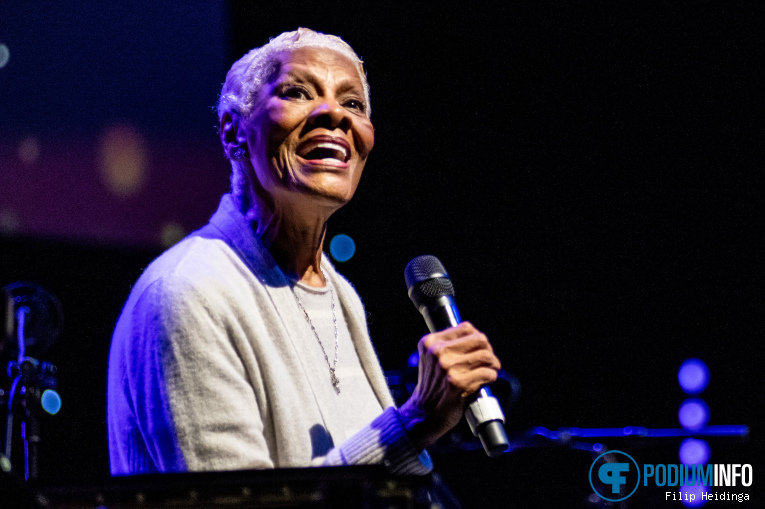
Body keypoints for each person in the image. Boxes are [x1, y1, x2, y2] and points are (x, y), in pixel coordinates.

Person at [107, 28, 501, 475]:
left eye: (354, 104)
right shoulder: (188, 293)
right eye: (297, 92)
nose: (334, 113)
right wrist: (412, 425)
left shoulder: (337, 292)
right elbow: (240, 504)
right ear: (233, 132)